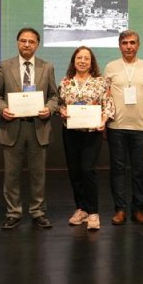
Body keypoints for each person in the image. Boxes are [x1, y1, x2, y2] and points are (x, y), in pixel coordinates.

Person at [0, 28, 59, 229]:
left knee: (38, 174)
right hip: (13, 127)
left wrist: (50, 108)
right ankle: (13, 212)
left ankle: (38, 211)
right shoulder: (5, 66)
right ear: (17, 43)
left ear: (37, 44)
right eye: (23, 41)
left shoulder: (47, 67)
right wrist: (2, 110)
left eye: (31, 41)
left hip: (38, 127)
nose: (27, 44)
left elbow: (54, 96)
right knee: (11, 175)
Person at [57, 46, 116, 231]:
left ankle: (93, 212)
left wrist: (104, 121)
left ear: (92, 62)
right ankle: (81, 209)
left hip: (92, 133)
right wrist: (61, 111)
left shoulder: (100, 82)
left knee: (88, 170)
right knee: (74, 171)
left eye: (86, 58)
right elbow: (59, 104)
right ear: (74, 61)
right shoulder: (65, 82)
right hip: (71, 132)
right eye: (79, 58)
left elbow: (108, 105)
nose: (82, 61)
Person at [104, 29, 143, 225]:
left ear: (138, 45)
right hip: (116, 126)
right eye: (125, 43)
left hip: (141, 127)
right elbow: (105, 96)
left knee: (139, 170)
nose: (129, 46)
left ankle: (138, 210)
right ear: (119, 45)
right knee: (117, 169)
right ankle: (120, 210)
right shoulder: (110, 67)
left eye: (132, 43)